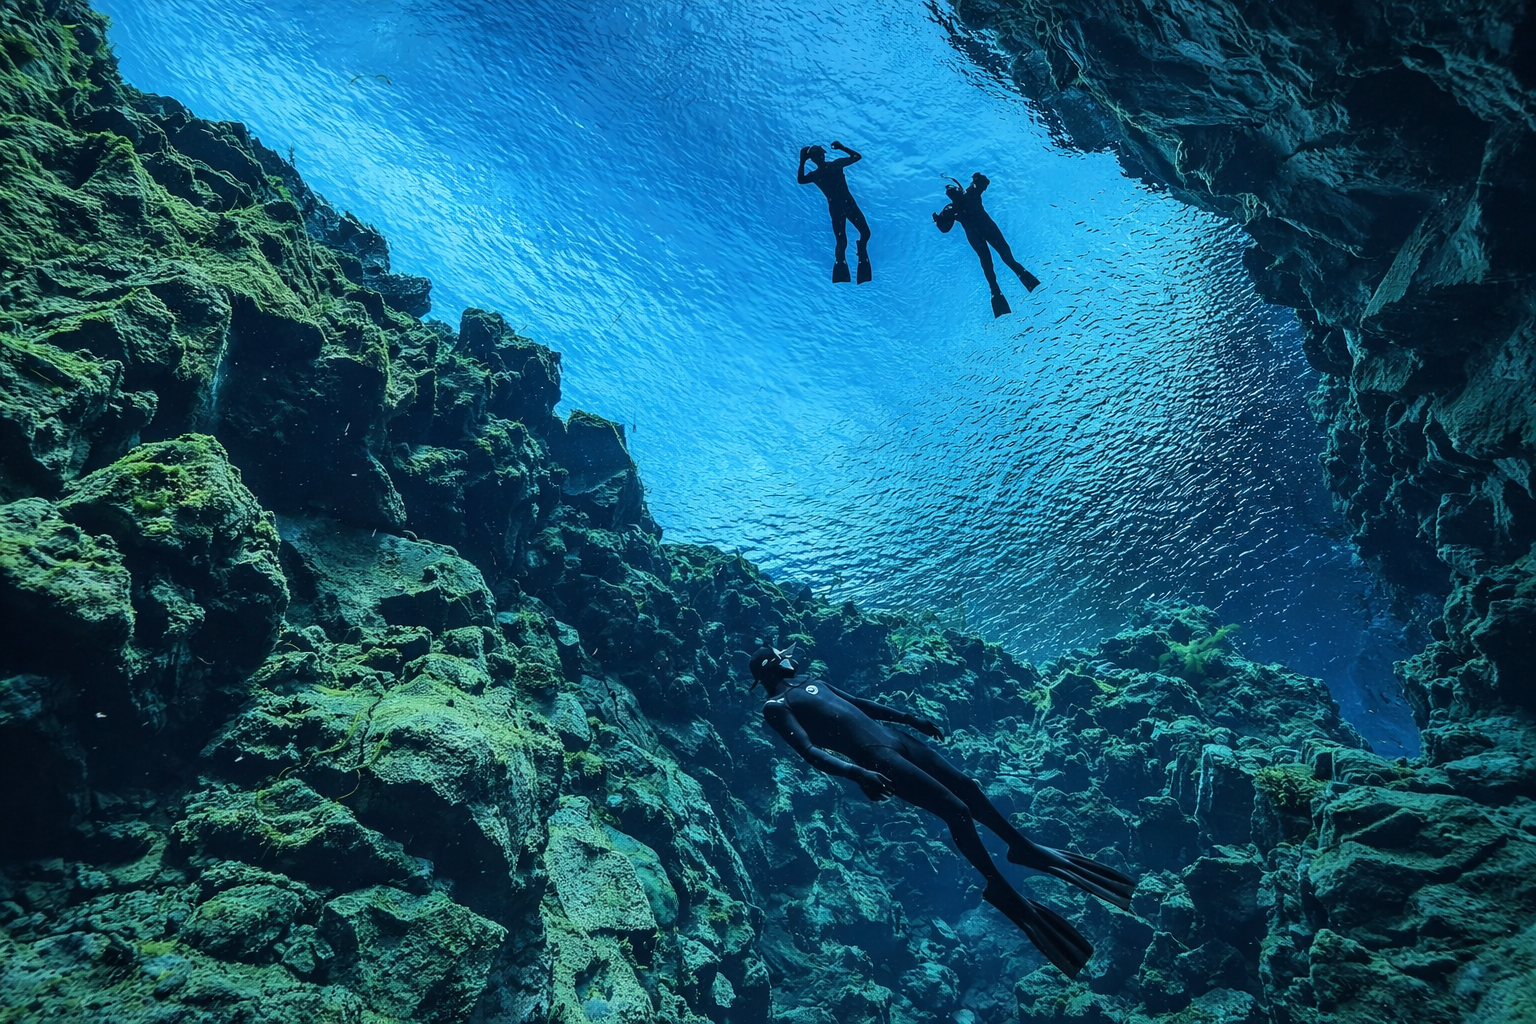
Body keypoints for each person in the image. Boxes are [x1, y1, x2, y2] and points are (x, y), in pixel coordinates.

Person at [749, 644, 1135, 978]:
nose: (791, 660)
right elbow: (808, 751)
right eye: (783, 658)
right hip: (877, 760)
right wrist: (858, 773)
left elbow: (860, 705)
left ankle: (1021, 846)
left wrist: (908, 718)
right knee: (957, 810)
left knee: (968, 788)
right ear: (773, 668)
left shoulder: (812, 681)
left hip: (897, 741)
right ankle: (997, 884)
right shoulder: (776, 706)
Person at [934, 173, 1041, 317]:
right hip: (986, 227)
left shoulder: (953, 207)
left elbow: (944, 228)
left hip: (976, 233)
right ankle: (1017, 280)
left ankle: (996, 291)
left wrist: (938, 220)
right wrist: (976, 179)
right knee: (1003, 259)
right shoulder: (966, 196)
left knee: (988, 262)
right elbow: (984, 182)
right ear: (958, 190)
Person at [798, 142, 871, 283]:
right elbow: (856, 157)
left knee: (845, 239)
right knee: (857, 236)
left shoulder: (822, 171)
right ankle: (855, 251)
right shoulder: (833, 166)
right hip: (846, 204)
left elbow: (801, 179)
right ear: (820, 156)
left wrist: (802, 161)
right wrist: (841, 147)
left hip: (839, 206)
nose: (820, 157)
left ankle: (847, 255)